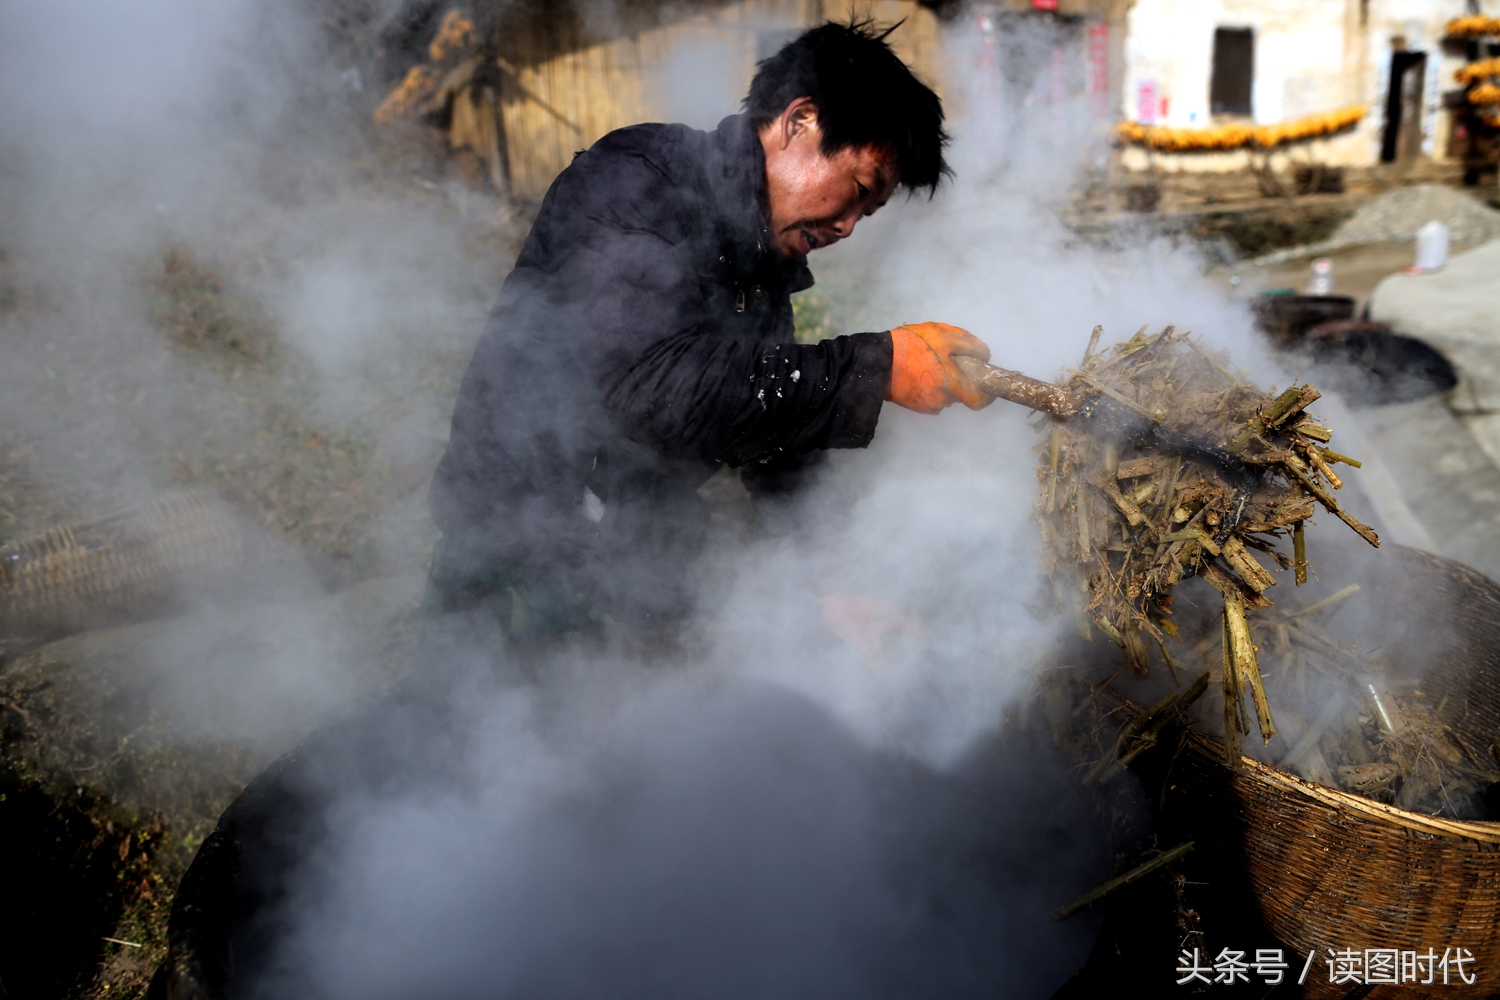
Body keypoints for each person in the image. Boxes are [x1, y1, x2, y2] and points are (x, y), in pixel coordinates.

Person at [425, 20, 993, 642]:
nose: (850, 226)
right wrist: (876, 367)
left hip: (636, 551)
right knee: (494, 727)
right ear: (798, 121)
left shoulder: (763, 259)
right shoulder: (634, 181)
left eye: (869, 211)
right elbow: (651, 386)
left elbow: (772, 430)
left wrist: (830, 582)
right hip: (522, 546)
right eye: (857, 190)